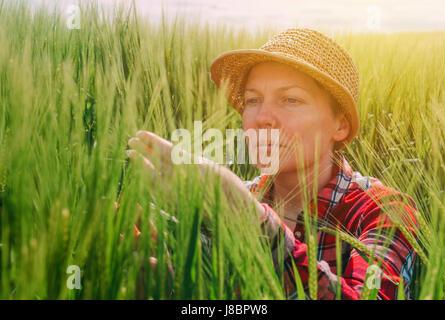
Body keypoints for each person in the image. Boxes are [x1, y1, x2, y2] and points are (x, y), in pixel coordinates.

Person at [127, 28, 420, 300]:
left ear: (340, 125)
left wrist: (254, 227)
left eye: (291, 100)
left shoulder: (383, 210)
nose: (261, 117)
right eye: (253, 100)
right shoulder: (233, 196)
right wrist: (170, 284)